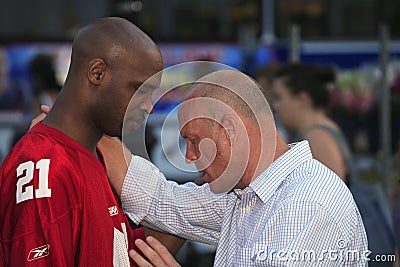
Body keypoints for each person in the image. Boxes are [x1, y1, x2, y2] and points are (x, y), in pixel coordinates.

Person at [100, 69, 368, 266]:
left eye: (194, 141)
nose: (191, 157)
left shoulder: (303, 205)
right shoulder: (248, 195)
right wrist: (88, 126)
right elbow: (162, 201)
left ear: (230, 128)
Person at [0, 17, 182, 266]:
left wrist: (219, 183)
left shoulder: (90, 155)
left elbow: (122, 254)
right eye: (140, 90)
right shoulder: (46, 167)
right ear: (97, 73)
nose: (149, 107)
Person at [271, 63, 351, 185]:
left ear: (302, 99)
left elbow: (335, 186)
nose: (275, 106)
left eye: (279, 98)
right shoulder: (318, 131)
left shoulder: (316, 136)